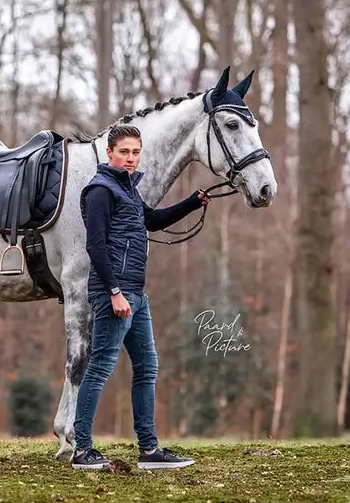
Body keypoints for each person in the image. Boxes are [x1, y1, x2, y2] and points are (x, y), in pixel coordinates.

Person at [72, 124, 210, 470]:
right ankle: (81, 450)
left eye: (135, 152)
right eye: (124, 152)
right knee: (101, 367)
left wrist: (193, 202)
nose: (131, 158)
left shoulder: (128, 190)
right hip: (114, 294)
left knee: (147, 366)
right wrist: (114, 292)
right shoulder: (101, 191)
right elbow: (96, 246)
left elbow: (153, 220)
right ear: (110, 153)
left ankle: (149, 451)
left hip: (136, 293)